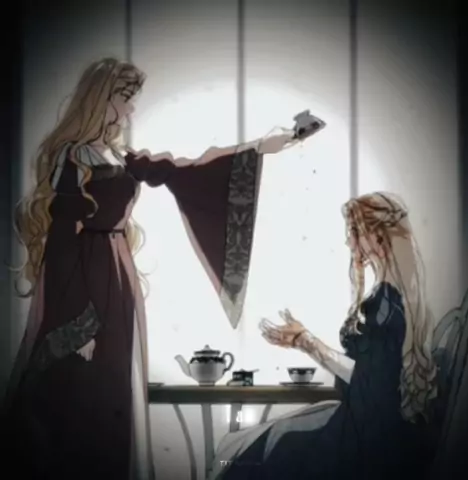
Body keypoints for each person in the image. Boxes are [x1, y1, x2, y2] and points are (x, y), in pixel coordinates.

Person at [0, 57, 320, 480]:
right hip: (86, 283)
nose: (130, 108)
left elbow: (188, 170)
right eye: (123, 98)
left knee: (115, 388)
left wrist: (262, 146)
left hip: (118, 277)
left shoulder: (118, 155)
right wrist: (76, 323)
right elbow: (61, 245)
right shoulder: (75, 156)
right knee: (85, 398)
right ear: (101, 98)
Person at [209, 192, 438, 480]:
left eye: (354, 231)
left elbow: (367, 378)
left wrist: (306, 342)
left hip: (366, 436)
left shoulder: (385, 302)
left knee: (271, 448)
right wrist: (303, 342)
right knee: (266, 439)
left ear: (377, 236)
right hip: (368, 423)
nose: (348, 241)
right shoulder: (392, 297)